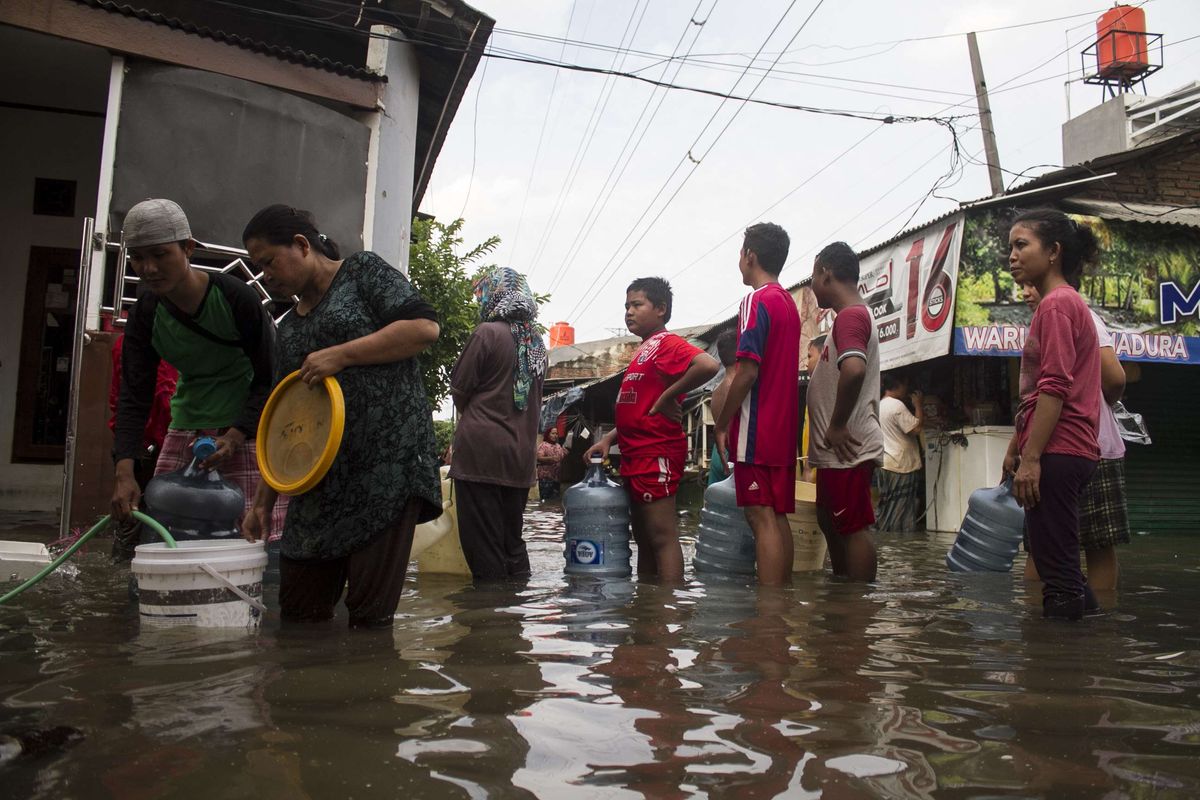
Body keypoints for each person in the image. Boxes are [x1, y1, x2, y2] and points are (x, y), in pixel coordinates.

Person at [240, 205, 442, 627]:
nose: (265, 275)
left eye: (268, 262)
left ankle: (368, 688)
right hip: (318, 483)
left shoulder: (362, 272)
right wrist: (262, 502)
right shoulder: (289, 328)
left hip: (385, 470)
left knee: (369, 621)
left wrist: (342, 355)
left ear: (301, 245)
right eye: (258, 267)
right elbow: (280, 419)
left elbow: (423, 328)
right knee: (297, 615)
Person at [111, 199, 284, 535]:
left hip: (248, 431)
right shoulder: (146, 311)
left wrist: (234, 436)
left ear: (187, 248)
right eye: (138, 257)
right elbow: (134, 394)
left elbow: (270, 377)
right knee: (169, 533)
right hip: (187, 427)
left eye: (160, 255)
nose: (148, 269)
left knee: (251, 539)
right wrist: (124, 472)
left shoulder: (236, 299)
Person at [1002, 209, 1101, 621]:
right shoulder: (1061, 304)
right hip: (1064, 450)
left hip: (1059, 452)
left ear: (1054, 252)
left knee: (1056, 574)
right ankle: (1096, 646)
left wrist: (1032, 458)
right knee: (1062, 568)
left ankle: (1058, 674)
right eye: (1010, 247)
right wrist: (1017, 447)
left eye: (1022, 245)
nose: (1012, 255)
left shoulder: (1057, 305)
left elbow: (1054, 387)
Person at [586, 277, 719, 582]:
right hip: (635, 453)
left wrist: (669, 395)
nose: (629, 312)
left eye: (637, 304)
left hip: (656, 450)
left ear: (660, 309)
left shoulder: (666, 343)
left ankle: (669, 612)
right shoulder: (643, 350)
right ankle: (648, 609)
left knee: (661, 536)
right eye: (626, 306)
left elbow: (708, 366)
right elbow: (638, 408)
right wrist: (608, 438)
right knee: (643, 537)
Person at [1019, 282, 1129, 592]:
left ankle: (1092, 629)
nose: (1025, 292)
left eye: (1031, 284)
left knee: (1095, 545)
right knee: (1042, 545)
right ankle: (1057, 627)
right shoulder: (1046, 318)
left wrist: (1091, 403)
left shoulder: (1077, 314)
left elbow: (1115, 378)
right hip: (1054, 448)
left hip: (1089, 447)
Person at [714, 223, 801, 587]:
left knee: (760, 518)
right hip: (782, 431)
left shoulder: (756, 300)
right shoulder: (788, 304)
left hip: (757, 429)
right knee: (777, 518)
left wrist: (722, 423)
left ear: (749, 256)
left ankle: (768, 616)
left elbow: (746, 371)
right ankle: (780, 609)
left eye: (740, 253)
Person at [450, 267, 546, 581]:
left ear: (494, 295)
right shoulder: (537, 344)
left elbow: (460, 390)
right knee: (512, 541)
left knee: (483, 546)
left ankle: (490, 622)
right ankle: (516, 614)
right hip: (520, 456)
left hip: (480, 453)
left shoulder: (486, 332)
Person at [807, 242, 884, 583]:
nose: (811, 284)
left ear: (826, 271)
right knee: (830, 518)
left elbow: (853, 370)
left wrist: (836, 425)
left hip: (847, 445)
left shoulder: (851, 316)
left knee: (851, 524)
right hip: (837, 451)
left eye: (813, 275)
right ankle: (842, 595)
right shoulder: (849, 317)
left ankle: (857, 606)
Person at [107, 334, 177, 559]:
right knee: (138, 519)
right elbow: (162, 398)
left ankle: (124, 566)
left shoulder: (126, 341)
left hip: (137, 446)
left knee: (132, 522)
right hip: (150, 446)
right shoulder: (150, 343)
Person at [875, 372, 924, 533]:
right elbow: (915, 428)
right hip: (901, 466)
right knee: (900, 510)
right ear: (899, 385)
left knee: (888, 507)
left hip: (886, 463)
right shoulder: (897, 406)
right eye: (905, 385)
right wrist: (918, 405)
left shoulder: (880, 405)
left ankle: (886, 545)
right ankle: (897, 547)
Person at [707, 330, 738, 486]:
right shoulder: (743, 388)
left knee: (717, 505)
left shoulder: (716, 391)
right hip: (735, 454)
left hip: (718, 455)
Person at [800, 334, 826, 483]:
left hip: (820, 475)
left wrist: (808, 470)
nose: (806, 364)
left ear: (824, 356)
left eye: (810, 357)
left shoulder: (822, 390)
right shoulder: (816, 388)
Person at [536, 428, 567, 501]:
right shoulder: (543, 445)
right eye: (553, 433)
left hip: (556, 478)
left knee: (555, 499)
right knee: (545, 499)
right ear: (548, 435)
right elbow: (539, 458)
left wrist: (565, 453)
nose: (555, 435)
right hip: (545, 477)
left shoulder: (558, 446)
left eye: (556, 434)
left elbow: (560, 457)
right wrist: (550, 458)